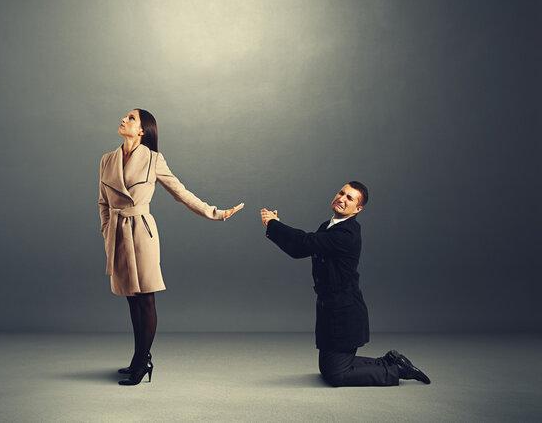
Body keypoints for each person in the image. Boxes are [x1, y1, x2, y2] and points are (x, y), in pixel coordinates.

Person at [99, 109, 244, 386]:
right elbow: (103, 203)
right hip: (117, 234)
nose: (123, 119)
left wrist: (216, 213)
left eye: (131, 118)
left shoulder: (154, 159)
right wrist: (107, 230)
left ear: (142, 130)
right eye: (125, 116)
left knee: (146, 298)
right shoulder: (107, 160)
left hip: (142, 233)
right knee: (131, 299)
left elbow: (181, 193)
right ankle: (138, 357)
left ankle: (142, 362)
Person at [260, 182, 430, 386]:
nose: (342, 198)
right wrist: (275, 226)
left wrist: (272, 224)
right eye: (341, 193)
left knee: (335, 376)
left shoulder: (346, 235)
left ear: (358, 209)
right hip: (329, 308)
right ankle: (389, 360)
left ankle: (394, 370)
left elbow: (304, 242)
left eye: (350, 198)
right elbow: (300, 250)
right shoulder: (328, 226)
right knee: (328, 367)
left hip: (344, 312)